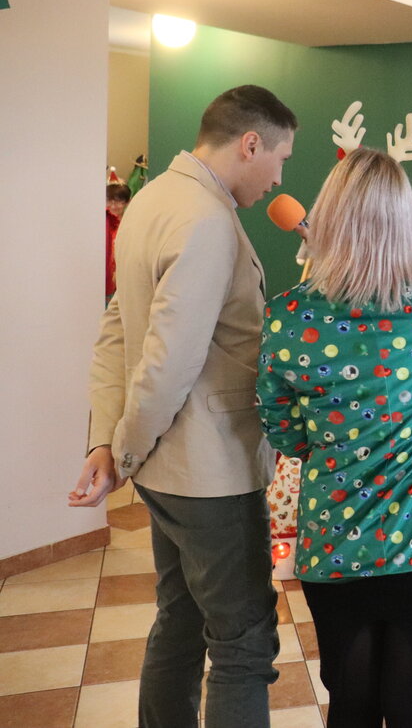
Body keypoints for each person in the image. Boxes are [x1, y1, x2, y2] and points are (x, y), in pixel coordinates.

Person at [71, 85, 298, 727]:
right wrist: (121, 450)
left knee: (181, 617)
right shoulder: (206, 220)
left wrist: (109, 440)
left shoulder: (151, 200)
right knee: (243, 642)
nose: (279, 178)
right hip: (208, 472)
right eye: (279, 158)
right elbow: (167, 362)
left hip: (167, 468)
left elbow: (116, 330)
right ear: (249, 144)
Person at [256, 147, 412, 728]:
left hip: (338, 546)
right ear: (404, 222)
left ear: (327, 215)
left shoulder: (287, 316)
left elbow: (284, 432)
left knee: (352, 708)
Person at [105, 182, 131, 299]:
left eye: (119, 201)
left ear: (127, 202)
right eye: (110, 201)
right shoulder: (103, 225)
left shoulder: (129, 225)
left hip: (123, 280)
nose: (113, 206)